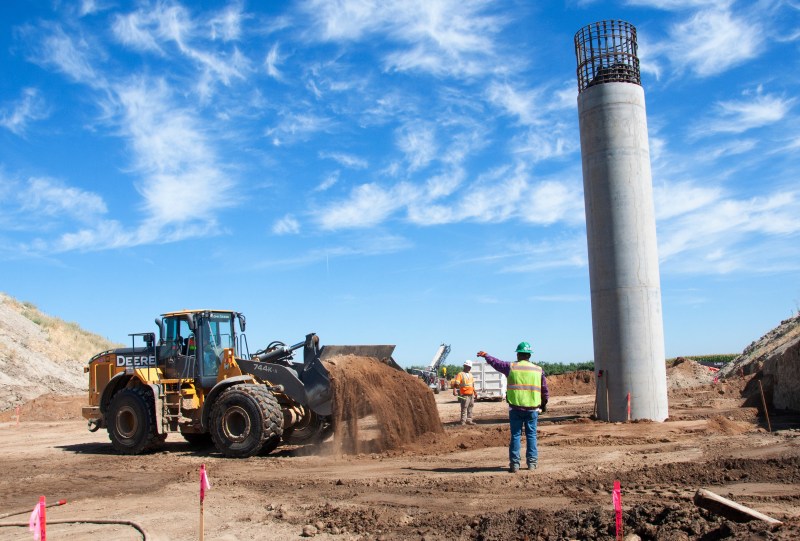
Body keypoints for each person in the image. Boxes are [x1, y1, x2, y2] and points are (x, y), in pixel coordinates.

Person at [477, 342, 549, 473]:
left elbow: (497, 363)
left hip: (515, 409)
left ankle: (515, 465)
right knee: (531, 435)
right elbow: (544, 390)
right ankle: (532, 463)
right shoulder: (538, 370)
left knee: (516, 435)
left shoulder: (511, 367)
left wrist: (486, 355)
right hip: (532, 409)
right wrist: (544, 404)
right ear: (529, 355)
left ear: (518, 354)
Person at [451, 360, 478, 425]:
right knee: (464, 408)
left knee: (470, 407)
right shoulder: (460, 374)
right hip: (464, 394)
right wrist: (454, 390)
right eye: (468, 366)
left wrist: (475, 392)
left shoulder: (471, 375)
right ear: (465, 366)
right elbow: (456, 383)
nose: (469, 368)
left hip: (471, 394)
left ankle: (469, 420)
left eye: (470, 367)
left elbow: (472, 385)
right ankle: (463, 421)